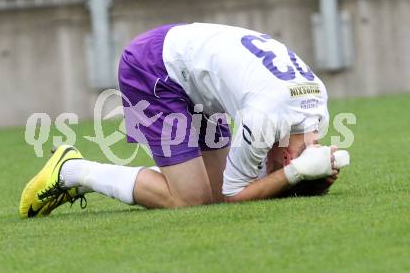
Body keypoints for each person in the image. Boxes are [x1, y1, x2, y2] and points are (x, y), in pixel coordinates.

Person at [19, 23, 349, 218]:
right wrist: (293, 176)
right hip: (152, 66)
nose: (270, 165)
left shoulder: (317, 108)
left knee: (213, 194)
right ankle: (71, 170)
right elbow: (237, 195)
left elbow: (239, 188)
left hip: (193, 72)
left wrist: (300, 174)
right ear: (290, 157)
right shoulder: (265, 120)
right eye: (279, 166)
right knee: (190, 200)